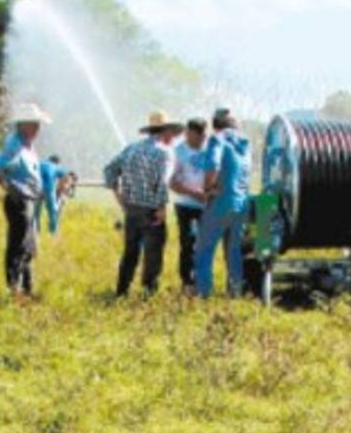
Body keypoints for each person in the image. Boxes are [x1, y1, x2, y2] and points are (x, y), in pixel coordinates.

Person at [104, 111, 183, 297]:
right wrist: (162, 207)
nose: (173, 137)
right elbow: (162, 182)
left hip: (131, 209)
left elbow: (109, 170)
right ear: (164, 132)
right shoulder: (164, 153)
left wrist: (119, 195)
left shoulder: (131, 149)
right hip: (152, 211)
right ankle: (148, 292)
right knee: (153, 254)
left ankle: (122, 290)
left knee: (130, 251)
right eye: (171, 132)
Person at [0, 103, 51, 300]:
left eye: (38, 124)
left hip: (29, 199)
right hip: (20, 201)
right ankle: (15, 290)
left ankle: (27, 289)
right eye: (35, 124)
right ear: (24, 124)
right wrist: (8, 186)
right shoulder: (14, 145)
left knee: (28, 247)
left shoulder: (27, 145)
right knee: (18, 246)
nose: (38, 128)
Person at [194, 108, 252, 298]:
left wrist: (207, 188)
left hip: (221, 201)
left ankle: (203, 292)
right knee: (234, 251)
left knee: (204, 249)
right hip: (241, 202)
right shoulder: (245, 144)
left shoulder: (217, 139)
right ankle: (235, 291)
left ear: (215, 124)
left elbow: (213, 164)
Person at [169, 118, 209, 293]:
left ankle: (203, 281)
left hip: (207, 205)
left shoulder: (210, 150)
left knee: (204, 244)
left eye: (204, 135)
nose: (202, 139)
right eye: (198, 135)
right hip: (186, 205)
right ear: (188, 133)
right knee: (188, 243)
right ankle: (188, 282)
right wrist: (194, 193)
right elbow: (172, 182)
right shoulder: (177, 152)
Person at [36, 155, 74, 236]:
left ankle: (36, 232)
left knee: (36, 213)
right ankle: (53, 233)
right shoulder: (56, 167)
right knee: (52, 212)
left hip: (37, 190)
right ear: (57, 163)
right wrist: (66, 188)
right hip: (49, 189)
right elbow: (67, 177)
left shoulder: (40, 164)